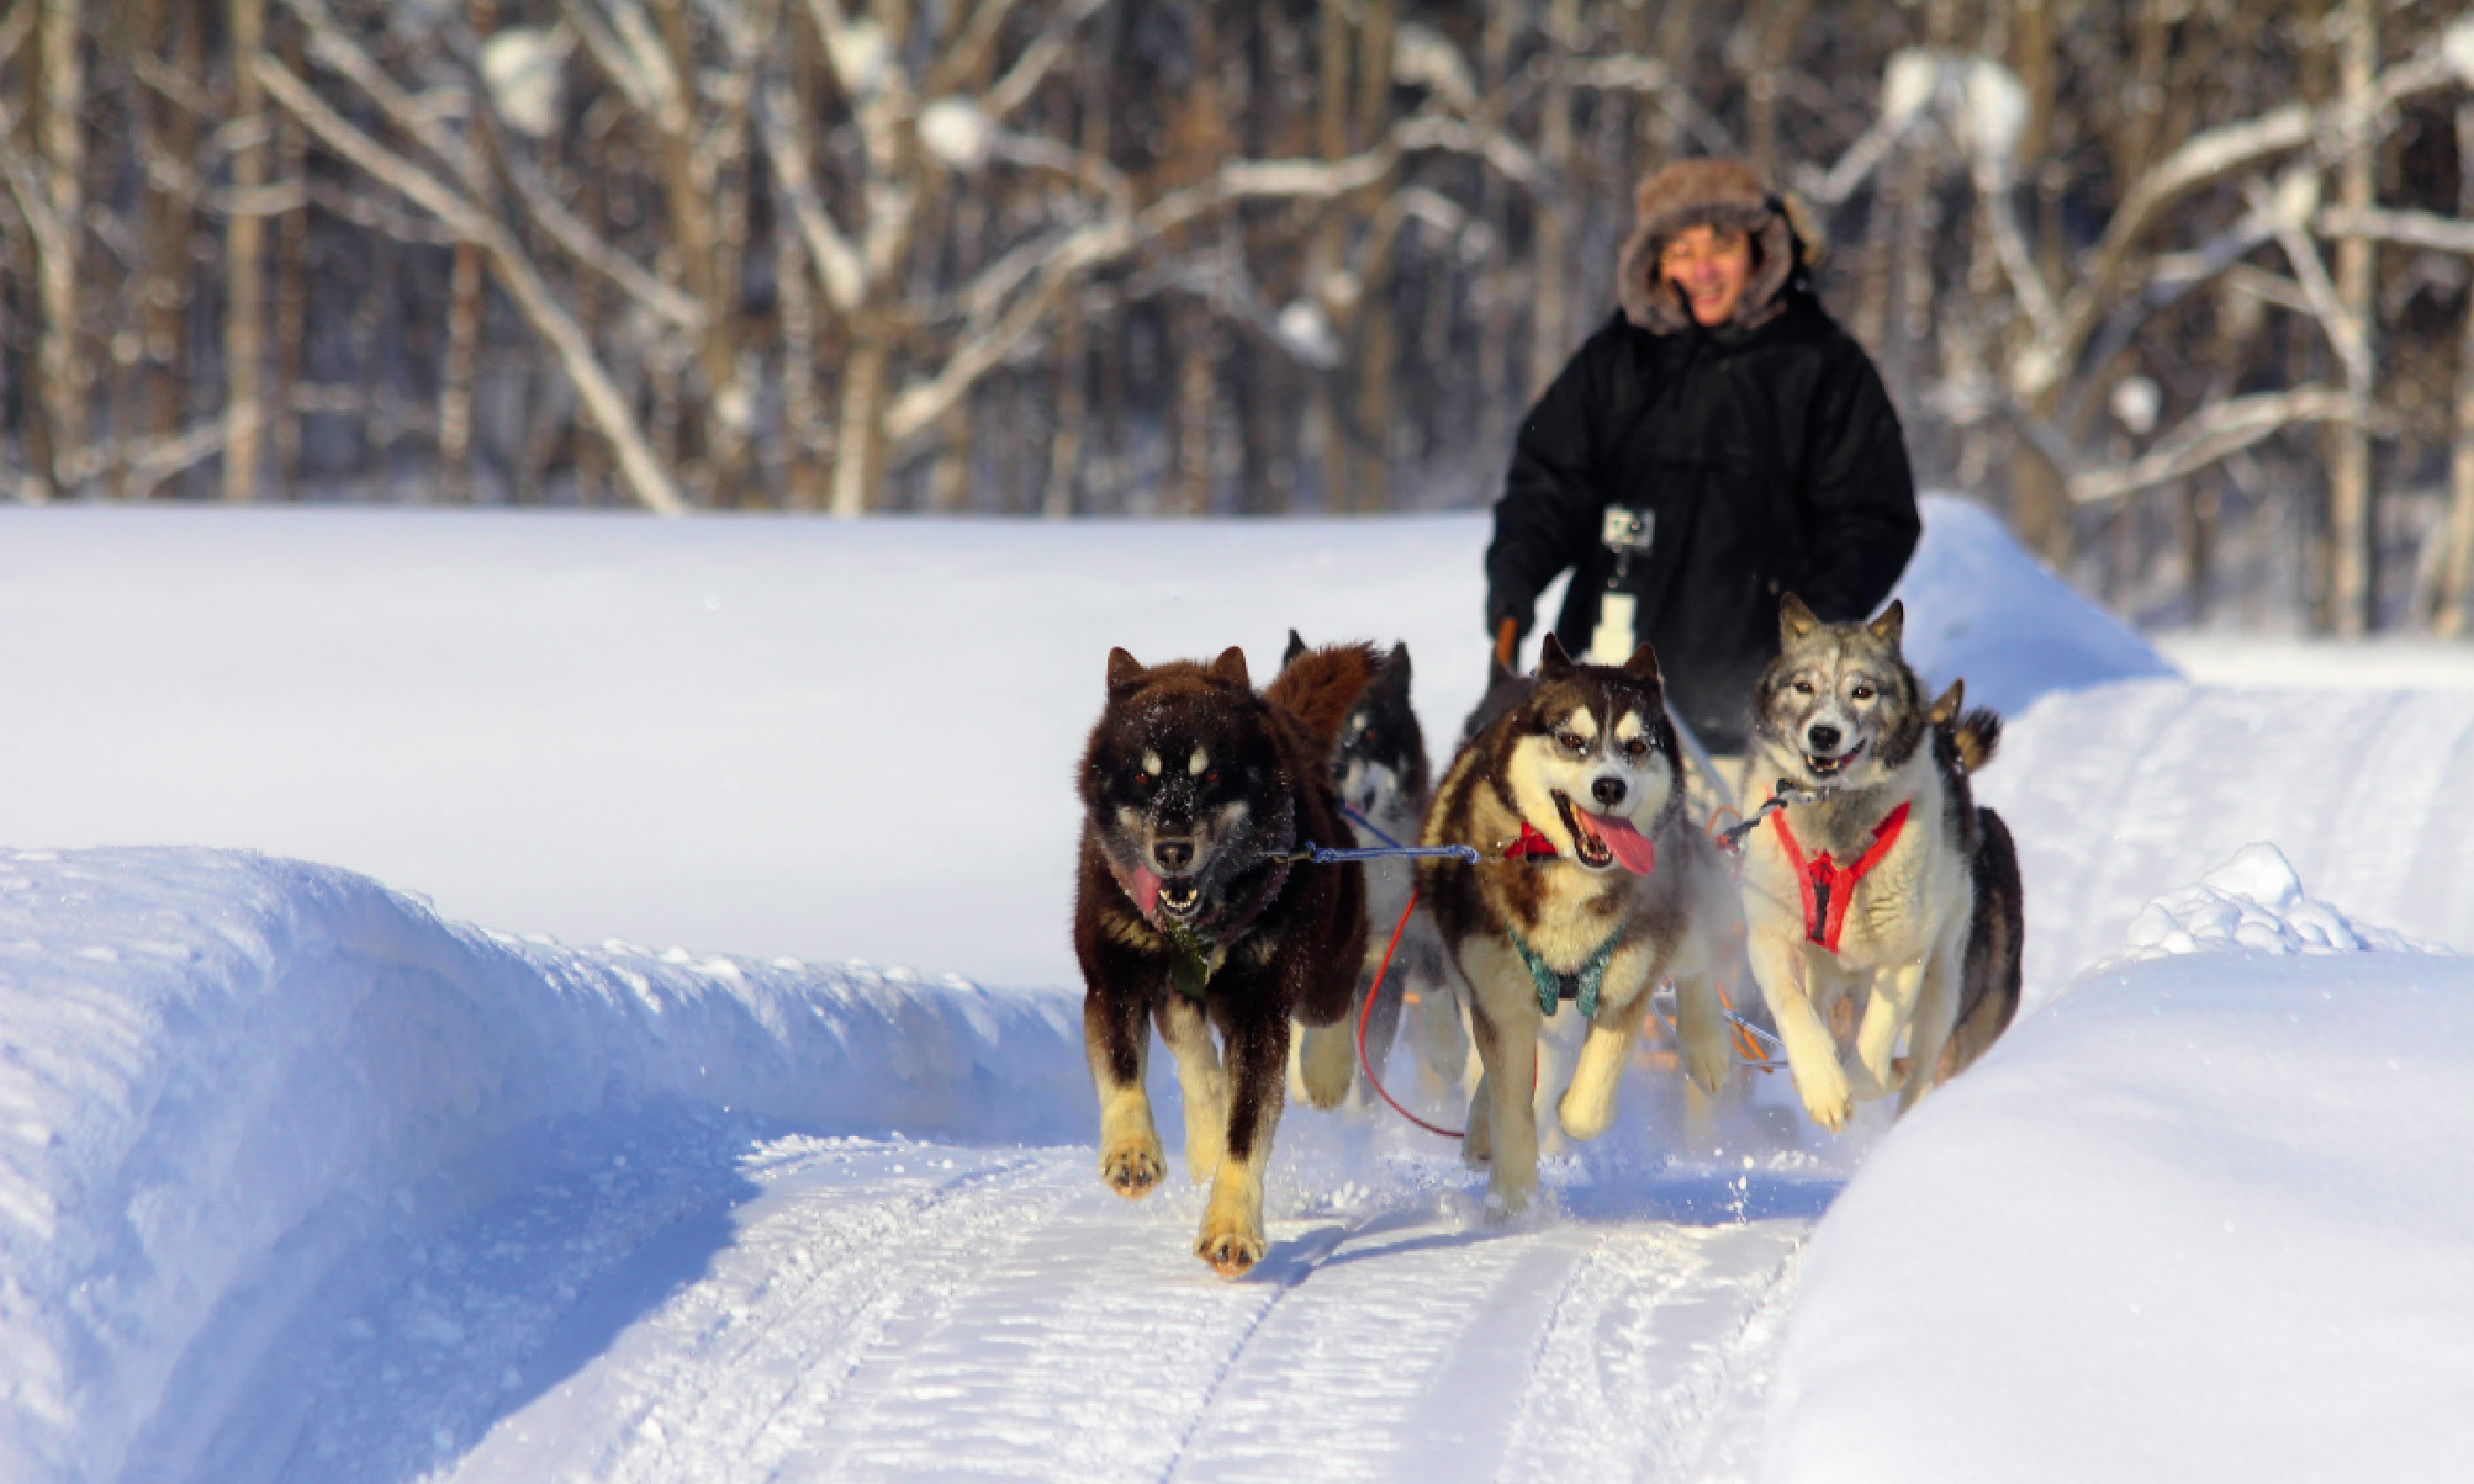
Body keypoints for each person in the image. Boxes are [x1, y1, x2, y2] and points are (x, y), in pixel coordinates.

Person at [1483, 157, 1920, 761]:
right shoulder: (1616, 360)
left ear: (1762, 250)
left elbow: (1873, 516)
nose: (1703, 269)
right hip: (1608, 700)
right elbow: (1547, 487)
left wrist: (1806, 634)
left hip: (1751, 713)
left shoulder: (1821, 364)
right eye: (1681, 250)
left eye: (1722, 245)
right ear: (1654, 263)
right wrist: (1516, 575)